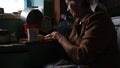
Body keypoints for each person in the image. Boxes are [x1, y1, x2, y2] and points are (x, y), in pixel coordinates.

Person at [44, 0, 119, 68]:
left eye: (68, 4)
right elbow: (73, 44)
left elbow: (82, 56)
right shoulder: (79, 20)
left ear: (78, 2)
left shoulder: (98, 18)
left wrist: (60, 38)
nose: (67, 9)